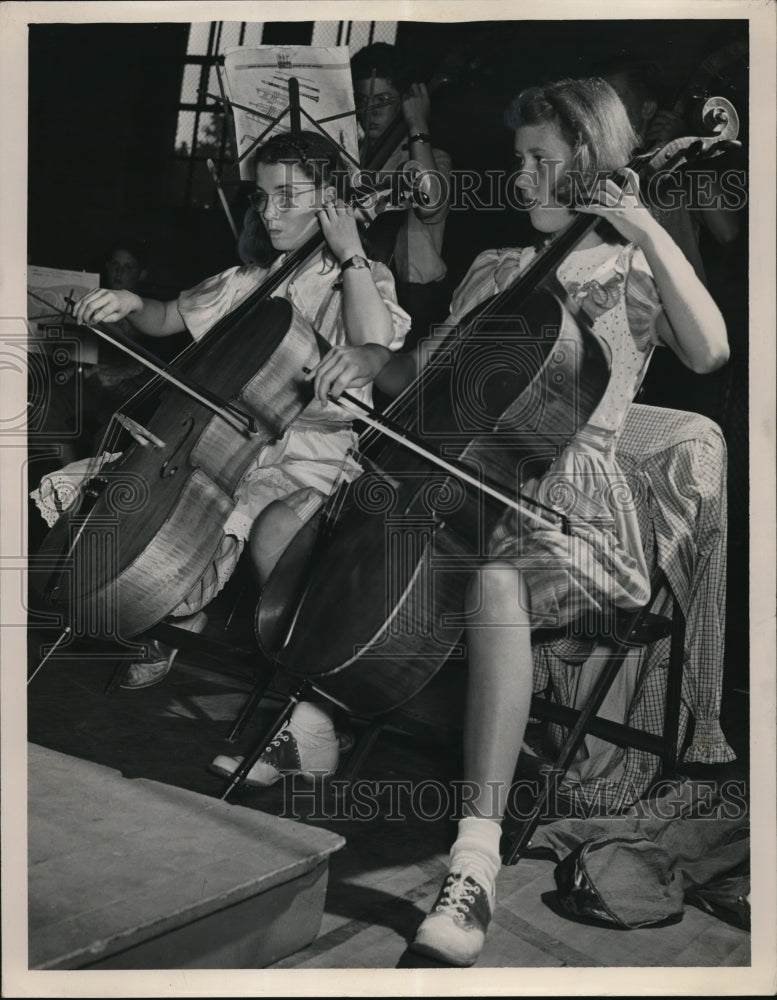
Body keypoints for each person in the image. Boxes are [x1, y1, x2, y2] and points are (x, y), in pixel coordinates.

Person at [218, 76, 729, 966]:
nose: (520, 176)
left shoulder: (627, 263)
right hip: (462, 484)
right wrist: (363, 358)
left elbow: (710, 348)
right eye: (517, 157)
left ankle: (474, 858)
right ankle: (317, 713)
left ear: (590, 159)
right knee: (297, 522)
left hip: (571, 509)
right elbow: (419, 379)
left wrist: (644, 223)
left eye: (540, 159)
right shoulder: (498, 267)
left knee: (490, 578)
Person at [32, 129, 410, 689]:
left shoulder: (361, 279)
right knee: (103, 490)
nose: (270, 212)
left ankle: (178, 609)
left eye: (288, 196)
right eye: (262, 197)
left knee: (222, 518)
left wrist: (350, 248)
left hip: (306, 456)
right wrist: (132, 303)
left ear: (331, 203)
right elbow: (166, 318)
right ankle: (154, 607)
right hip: (221, 441)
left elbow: (375, 345)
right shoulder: (251, 280)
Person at [350, 42, 454, 353]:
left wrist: (418, 125)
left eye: (383, 100)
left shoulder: (432, 158)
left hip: (413, 301)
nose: (372, 112)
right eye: (362, 101)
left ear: (405, 103)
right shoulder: (349, 160)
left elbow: (431, 204)